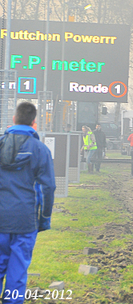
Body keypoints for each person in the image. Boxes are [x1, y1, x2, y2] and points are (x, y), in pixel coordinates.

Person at [0, 102, 55, 302]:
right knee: (18, 272)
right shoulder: (40, 150)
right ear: (34, 123)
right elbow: (48, 188)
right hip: (25, 220)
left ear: (13, 119)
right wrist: (44, 219)